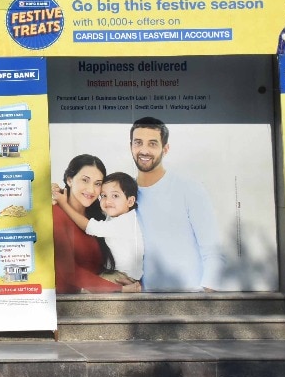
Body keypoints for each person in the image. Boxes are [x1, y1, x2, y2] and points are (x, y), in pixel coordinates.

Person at [130, 117, 225, 292]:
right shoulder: (124, 194)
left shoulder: (189, 189)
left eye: (152, 144)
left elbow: (213, 253)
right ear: (131, 146)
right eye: (138, 143)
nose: (144, 150)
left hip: (190, 299)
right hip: (143, 301)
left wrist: (205, 299)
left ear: (165, 149)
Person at [51, 155, 138, 293]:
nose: (91, 190)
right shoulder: (56, 214)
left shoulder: (98, 214)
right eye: (85, 180)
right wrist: (120, 289)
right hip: (70, 300)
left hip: (101, 294)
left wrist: (122, 279)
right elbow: (68, 272)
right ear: (69, 180)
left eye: (97, 184)